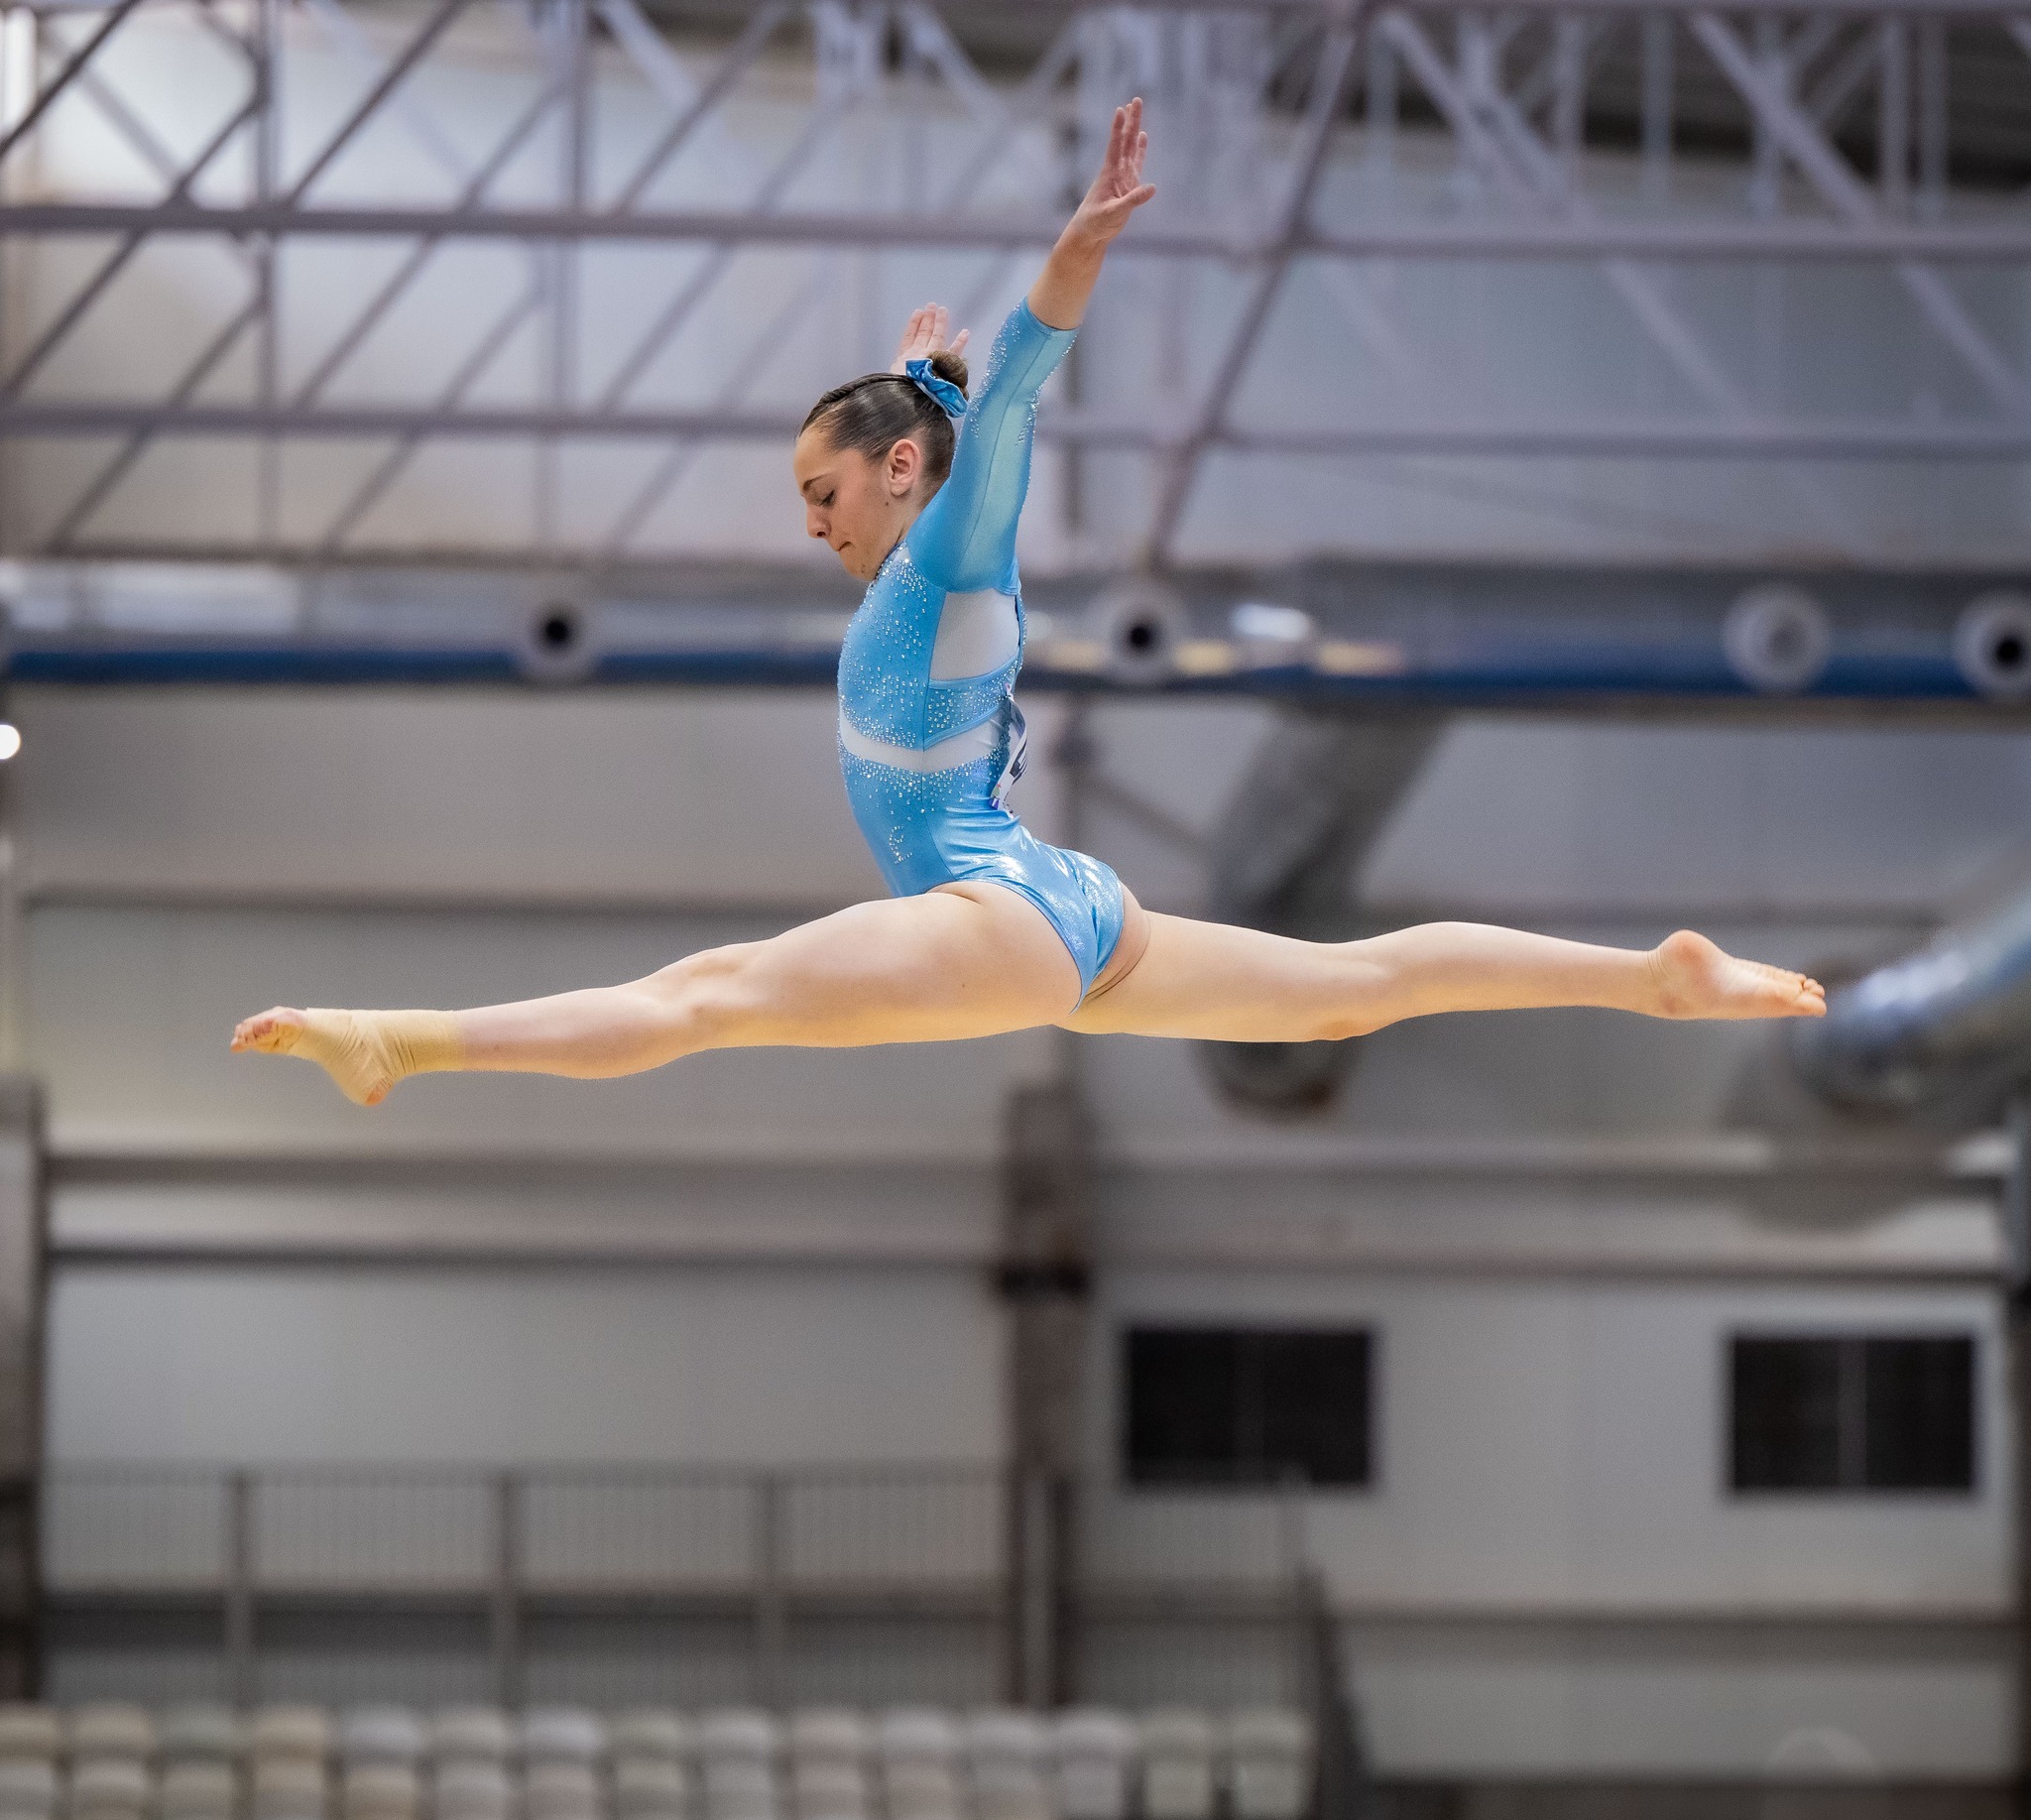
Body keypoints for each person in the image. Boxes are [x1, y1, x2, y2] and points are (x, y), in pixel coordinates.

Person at [231, 99, 1823, 1107]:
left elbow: (1018, 398)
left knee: (704, 1001)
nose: (815, 525)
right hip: (1059, 902)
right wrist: (929, 370)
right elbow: (962, 406)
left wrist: (1062, 271)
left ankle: (409, 1037)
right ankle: (1646, 982)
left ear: (905, 473)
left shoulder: (948, 549)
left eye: (825, 493)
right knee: (1352, 995)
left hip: (1000, 915)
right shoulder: (925, 538)